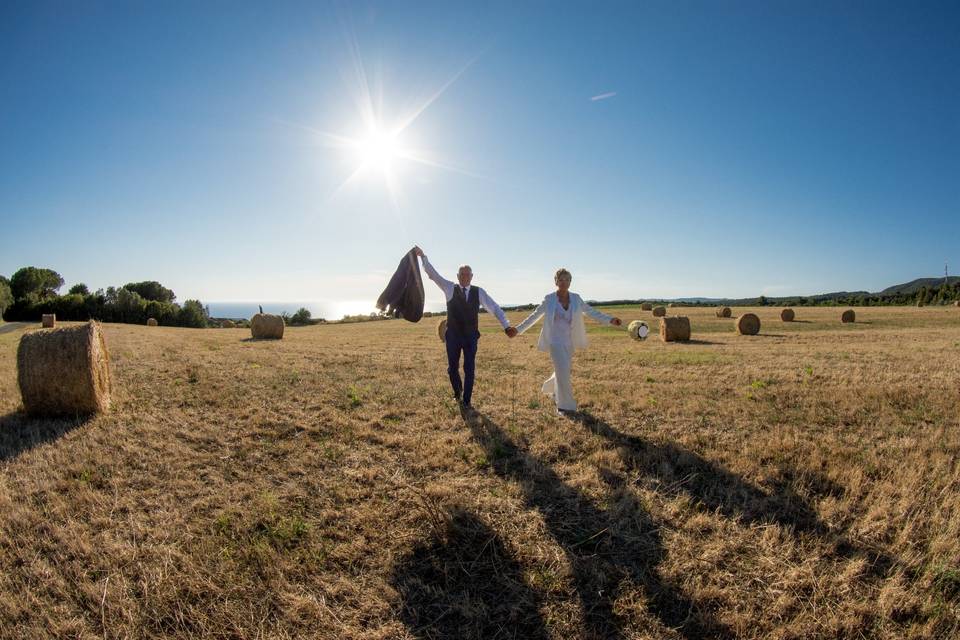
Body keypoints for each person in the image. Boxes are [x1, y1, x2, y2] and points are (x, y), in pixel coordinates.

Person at [413, 246, 517, 408]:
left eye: (468, 274)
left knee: (469, 368)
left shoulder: (478, 292)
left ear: (472, 276)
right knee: (452, 368)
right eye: (462, 274)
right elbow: (433, 274)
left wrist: (506, 326)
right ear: (458, 276)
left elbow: (494, 308)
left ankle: (467, 400)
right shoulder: (449, 287)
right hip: (453, 335)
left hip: (470, 336)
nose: (465, 277)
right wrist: (423, 257)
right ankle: (457, 392)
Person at [513, 268, 621, 415]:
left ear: (570, 282)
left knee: (562, 371)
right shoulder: (549, 299)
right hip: (555, 342)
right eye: (561, 279)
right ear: (556, 282)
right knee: (563, 372)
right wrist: (518, 330)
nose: (564, 282)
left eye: (567, 279)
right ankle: (565, 406)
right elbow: (534, 316)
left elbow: (591, 312)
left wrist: (610, 320)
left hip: (569, 342)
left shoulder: (576, 298)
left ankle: (551, 388)